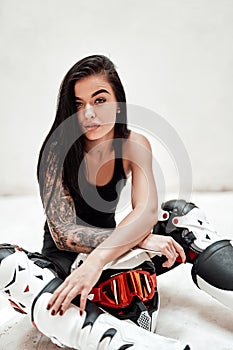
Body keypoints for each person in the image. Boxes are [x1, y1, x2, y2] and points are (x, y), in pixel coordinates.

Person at [1, 54, 232, 350]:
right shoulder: (57, 149)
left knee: (182, 218)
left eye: (99, 100)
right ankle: (126, 342)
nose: (88, 114)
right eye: (78, 104)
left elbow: (146, 211)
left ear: (118, 102)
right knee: (7, 263)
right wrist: (138, 241)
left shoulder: (135, 145)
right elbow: (64, 233)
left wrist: (107, 256)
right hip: (68, 263)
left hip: (115, 253)